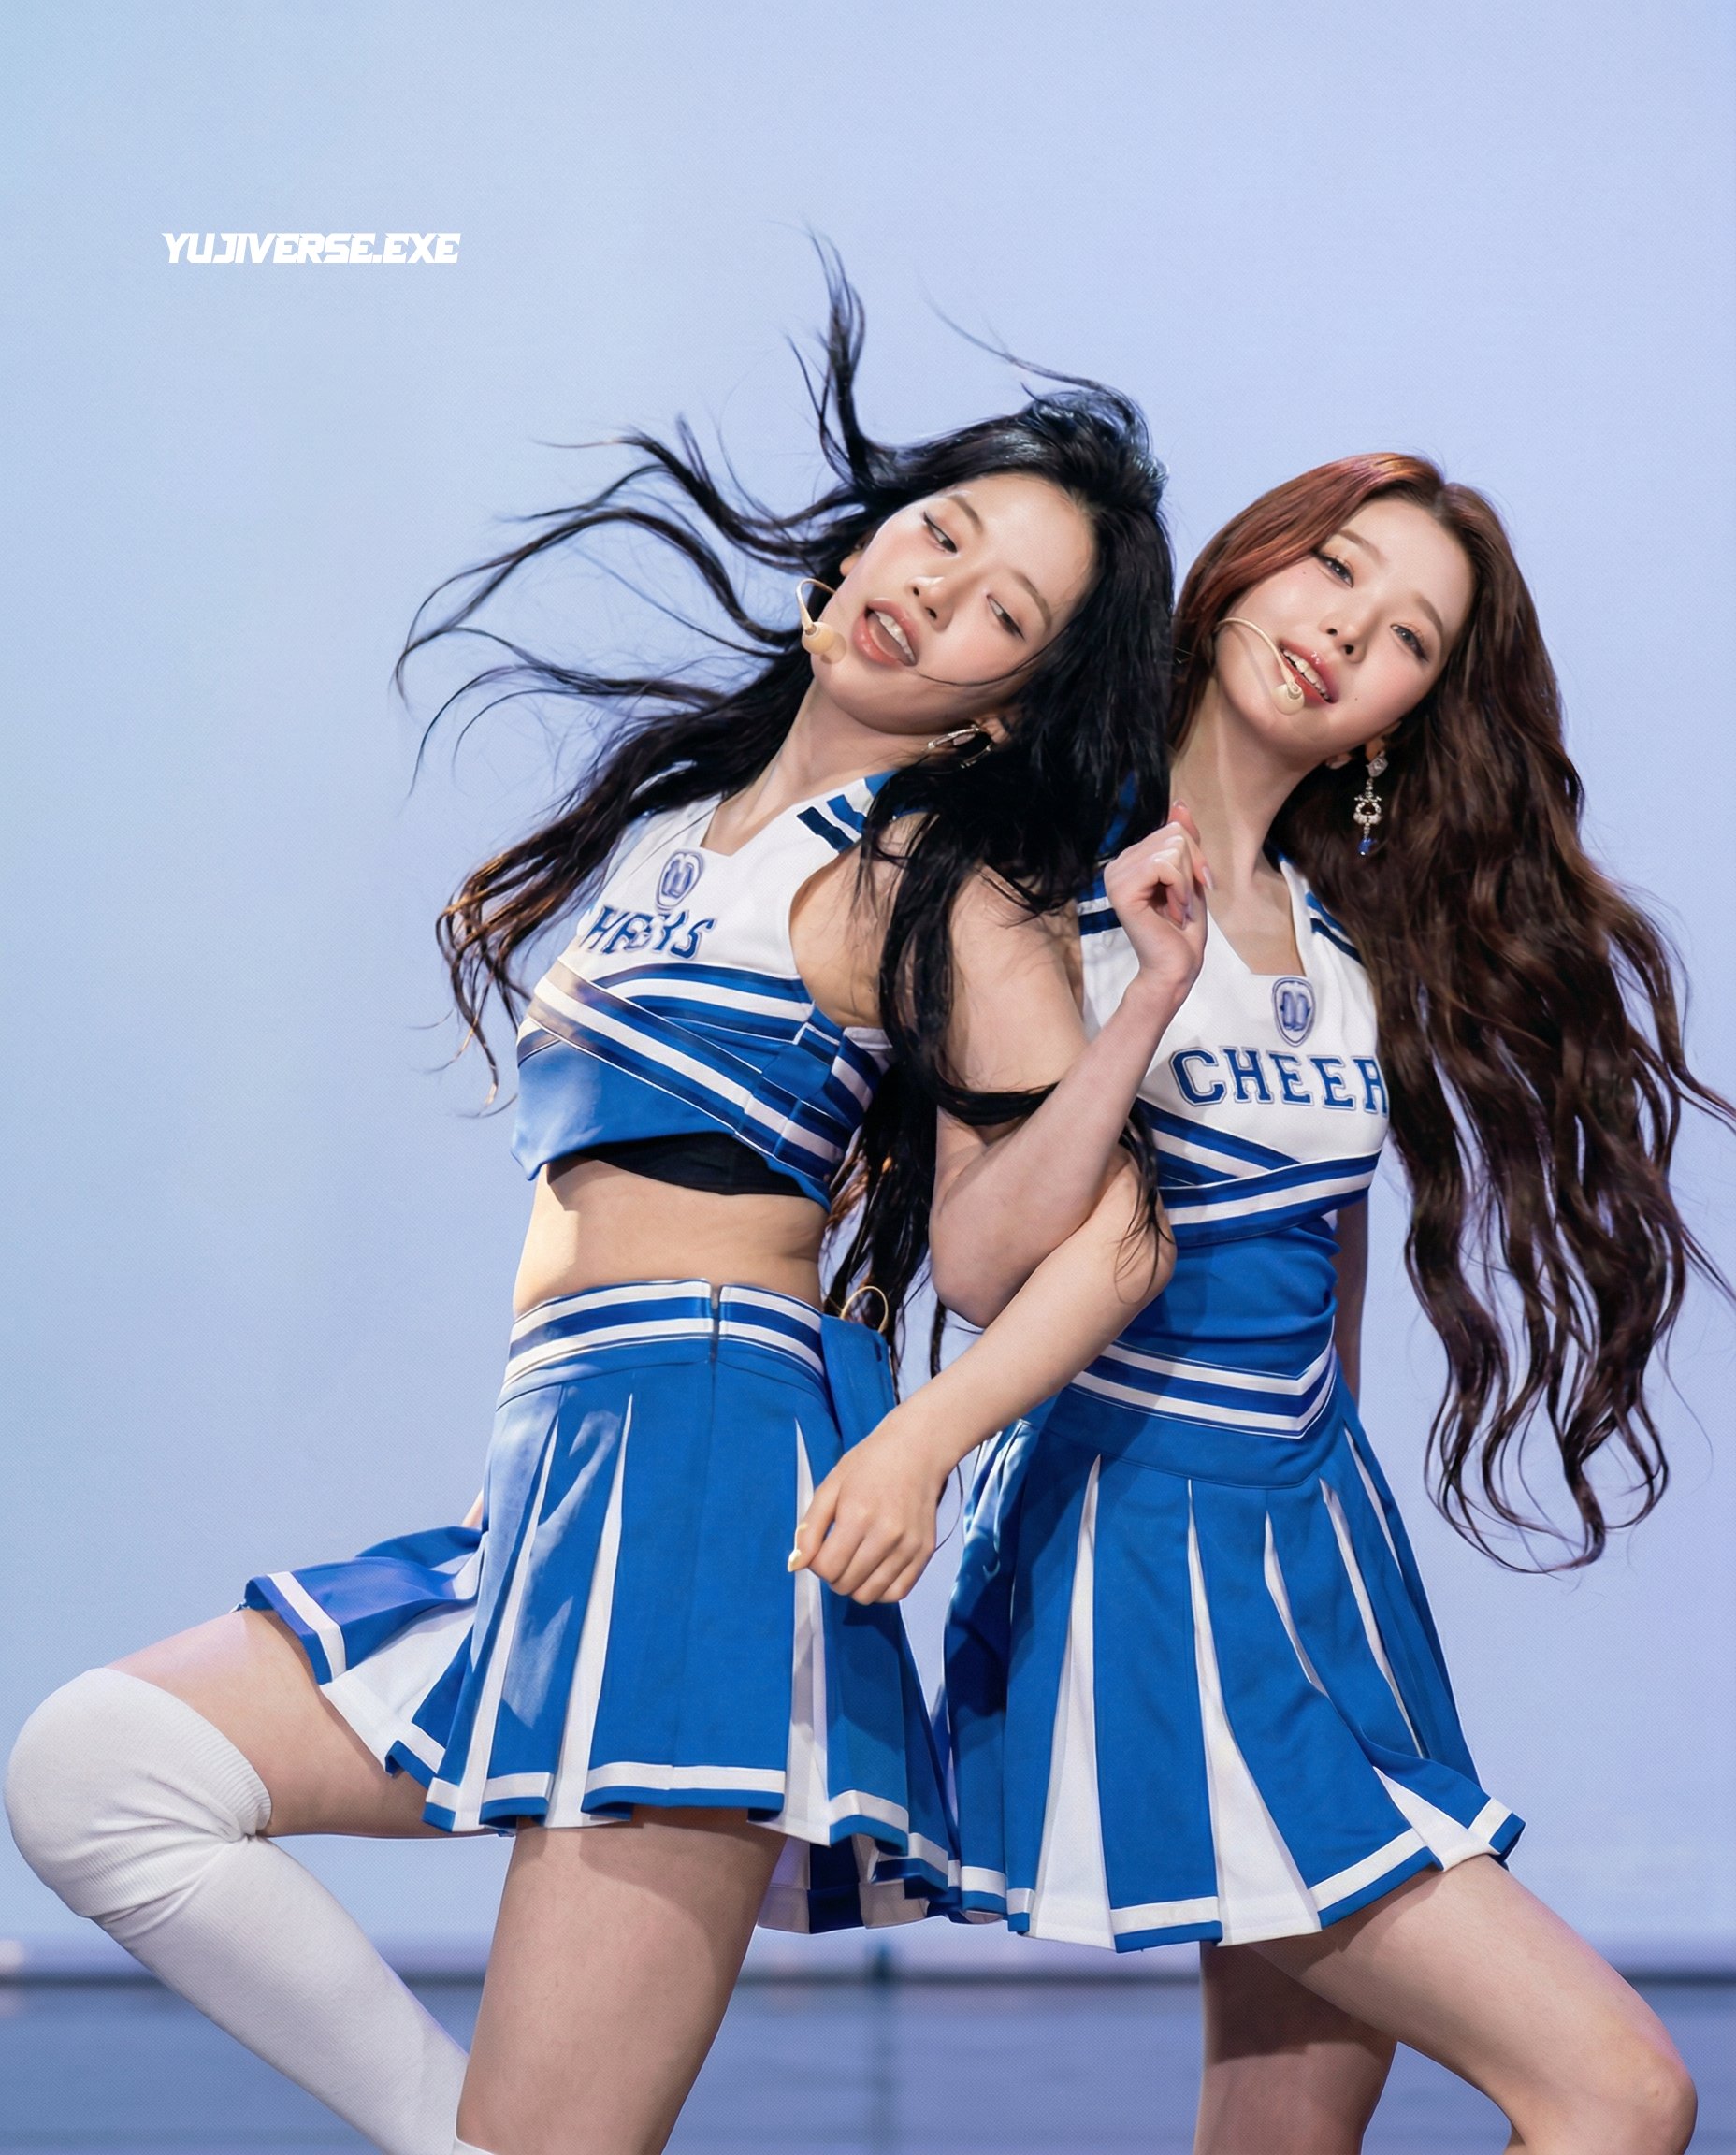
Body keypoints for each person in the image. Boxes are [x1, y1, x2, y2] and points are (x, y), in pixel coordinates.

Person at [4, 266, 1179, 2155]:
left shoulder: (928, 893)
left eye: (1003, 613)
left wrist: (927, 1443)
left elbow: (1112, 1234)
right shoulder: (673, 827)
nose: (935, 588)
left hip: (713, 1503)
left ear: (1002, 712)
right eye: (942, 533)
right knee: (98, 1766)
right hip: (556, 1479)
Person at [795, 454, 1728, 2153]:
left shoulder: (1341, 938)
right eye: (1336, 570)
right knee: (1620, 2090)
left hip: (1321, 1571)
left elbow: (1330, 1288)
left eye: (1408, 637)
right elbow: (989, 1263)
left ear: (1398, 718)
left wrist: (1340, 1555)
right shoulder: (1038, 877)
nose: (1347, 632)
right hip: (1151, 1554)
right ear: (1246, 566)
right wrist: (1149, 997)